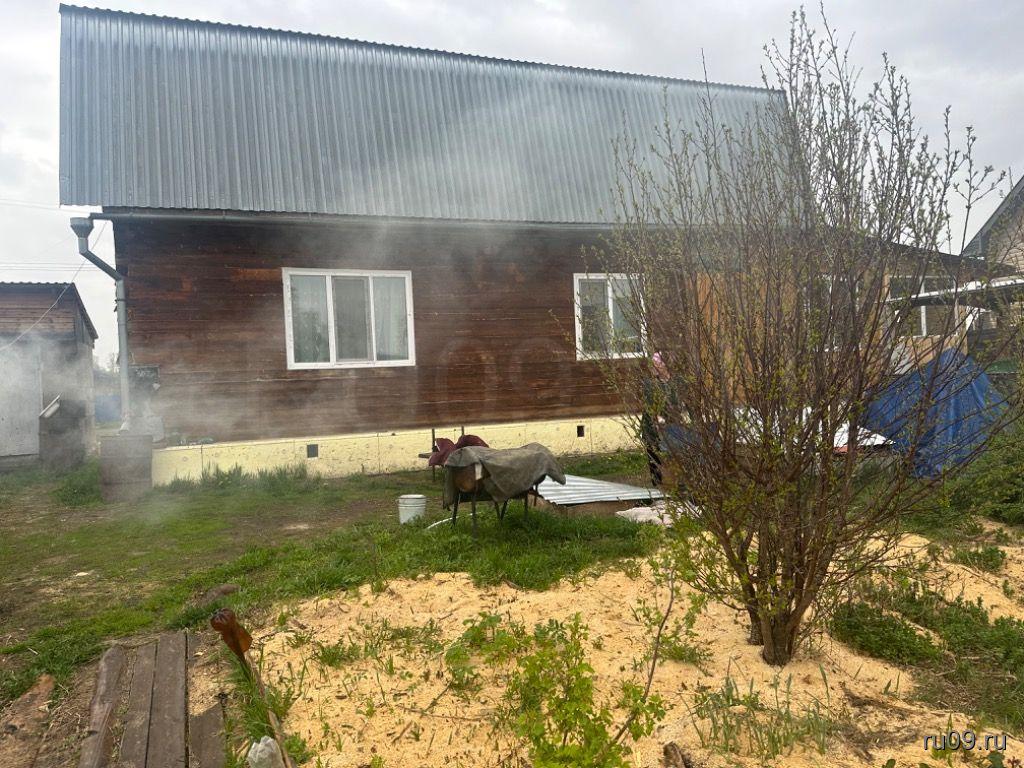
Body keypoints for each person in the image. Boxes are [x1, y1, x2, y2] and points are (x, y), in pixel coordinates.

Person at [640, 352, 674, 487]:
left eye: (657, 364)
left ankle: (674, 484)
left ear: (666, 365)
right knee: (653, 455)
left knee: (673, 455)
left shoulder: (676, 383)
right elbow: (650, 406)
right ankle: (657, 485)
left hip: (672, 427)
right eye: (652, 365)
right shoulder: (649, 384)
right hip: (651, 426)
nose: (653, 368)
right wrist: (657, 417)